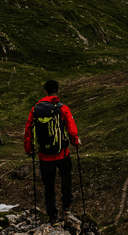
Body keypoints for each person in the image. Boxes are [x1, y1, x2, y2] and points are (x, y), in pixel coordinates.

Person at [23, 79, 81, 223]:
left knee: (49, 186)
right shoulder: (63, 108)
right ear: (58, 90)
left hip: (44, 156)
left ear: (45, 91)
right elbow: (71, 127)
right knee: (66, 179)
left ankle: (52, 215)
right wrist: (75, 141)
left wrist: (29, 148)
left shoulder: (35, 109)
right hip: (62, 154)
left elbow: (28, 130)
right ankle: (66, 208)